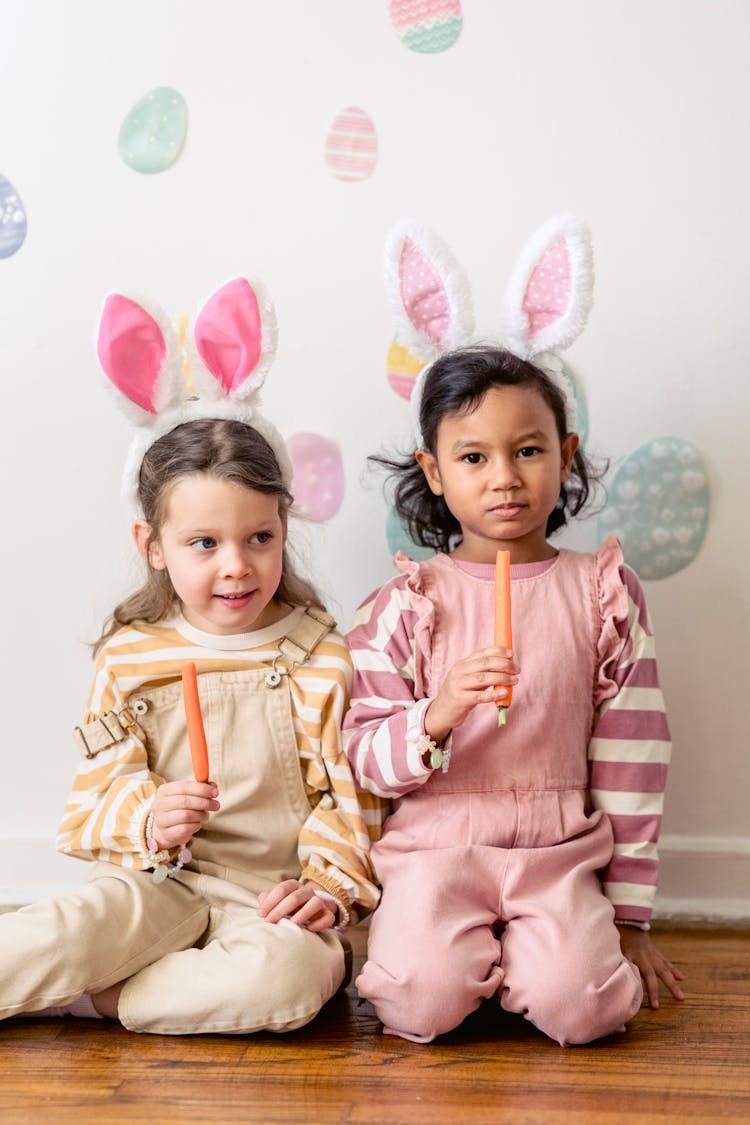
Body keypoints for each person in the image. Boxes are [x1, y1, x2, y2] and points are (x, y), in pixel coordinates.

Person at [0, 277, 380, 1035]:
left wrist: (329, 887)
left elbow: (355, 799)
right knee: (62, 928)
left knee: (292, 975)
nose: (235, 565)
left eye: (258, 538)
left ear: (283, 526)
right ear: (153, 546)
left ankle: (108, 997)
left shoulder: (322, 658)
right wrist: (148, 814)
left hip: (270, 902)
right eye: (204, 543)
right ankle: (92, 966)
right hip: (158, 888)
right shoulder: (129, 658)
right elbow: (93, 796)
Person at [343, 217, 685, 1046]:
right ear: (431, 470)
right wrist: (435, 712)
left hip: (557, 850)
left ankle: (537, 962)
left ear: (564, 456)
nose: (504, 478)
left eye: (528, 450)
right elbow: (360, 754)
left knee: (586, 1007)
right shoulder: (402, 603)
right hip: (434, 849)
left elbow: (635, 760)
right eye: (472, 458)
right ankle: (471, 963)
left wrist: (630, 917)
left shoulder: (600, 593)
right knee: (415, 1004)